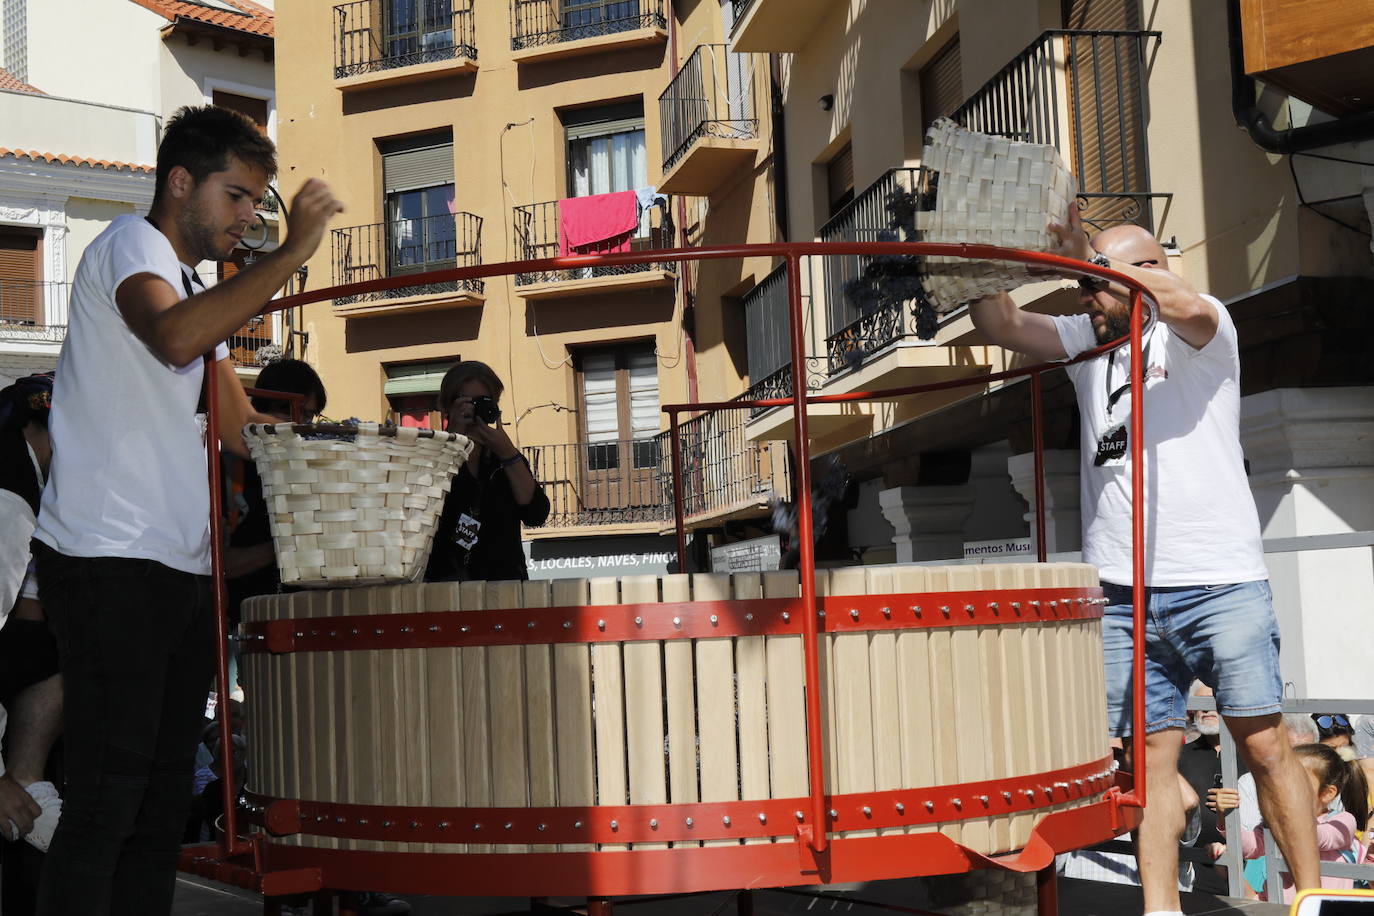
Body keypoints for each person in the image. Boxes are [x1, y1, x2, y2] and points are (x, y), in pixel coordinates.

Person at [32, 104, 343, 916]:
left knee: (160, 804)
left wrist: (345, 451)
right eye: (238, 197)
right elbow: (172, 338)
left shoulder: (196, 287)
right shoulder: (131, 249)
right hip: (108, 558)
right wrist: (292, 253)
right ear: (180, 182)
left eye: (258, 202)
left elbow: (240, 430)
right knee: (110, 799)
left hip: (174, 567)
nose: (249, 217)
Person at [969, 202, 1320, 916]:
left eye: (1100, 280)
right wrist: (981, 255)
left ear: (1147, 272)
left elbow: (1182, 301)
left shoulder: (1202, 332)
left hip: (1218, 579)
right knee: (1148, 762)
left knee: (1266, 744)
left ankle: (1310, 900)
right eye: (1084, 281)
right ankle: (1162, 909)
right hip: (1123, 588)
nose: (1086, 294)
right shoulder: (1085, 339)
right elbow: (1000, 324)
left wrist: (1101, 265)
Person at [0, 373, 64, 864]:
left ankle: (26, 781)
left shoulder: (32, 483)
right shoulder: (9, 496)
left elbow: (28, 610)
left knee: (54, 645)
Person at [425, 361, 550, 582]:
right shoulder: (431, 456)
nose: (473, 410)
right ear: (446, 406)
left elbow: (536, 514)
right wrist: (453, 442)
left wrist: (507, 453)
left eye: (482, 402)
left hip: (504, 589)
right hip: (445, 589)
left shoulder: (503, 459)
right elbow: (428, 512)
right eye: (466, 402)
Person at [1223, 743, 1370, 903]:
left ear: (1327, 793)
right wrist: (1226, 817)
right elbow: (1251, 847)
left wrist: (1285, 823)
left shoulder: (1341, 821)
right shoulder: (1274, 822)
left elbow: (1321, 838)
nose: (1286, 788)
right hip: (1278, 908)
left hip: (1324, 910)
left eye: (1297, 782)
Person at [1178, 683, 1227, 894]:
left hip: (1251, 868)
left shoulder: (1252, 756)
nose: (1206, 709)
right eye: (1201, 703)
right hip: (1193, 872)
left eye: (1212, 701)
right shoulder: (1178, 756)